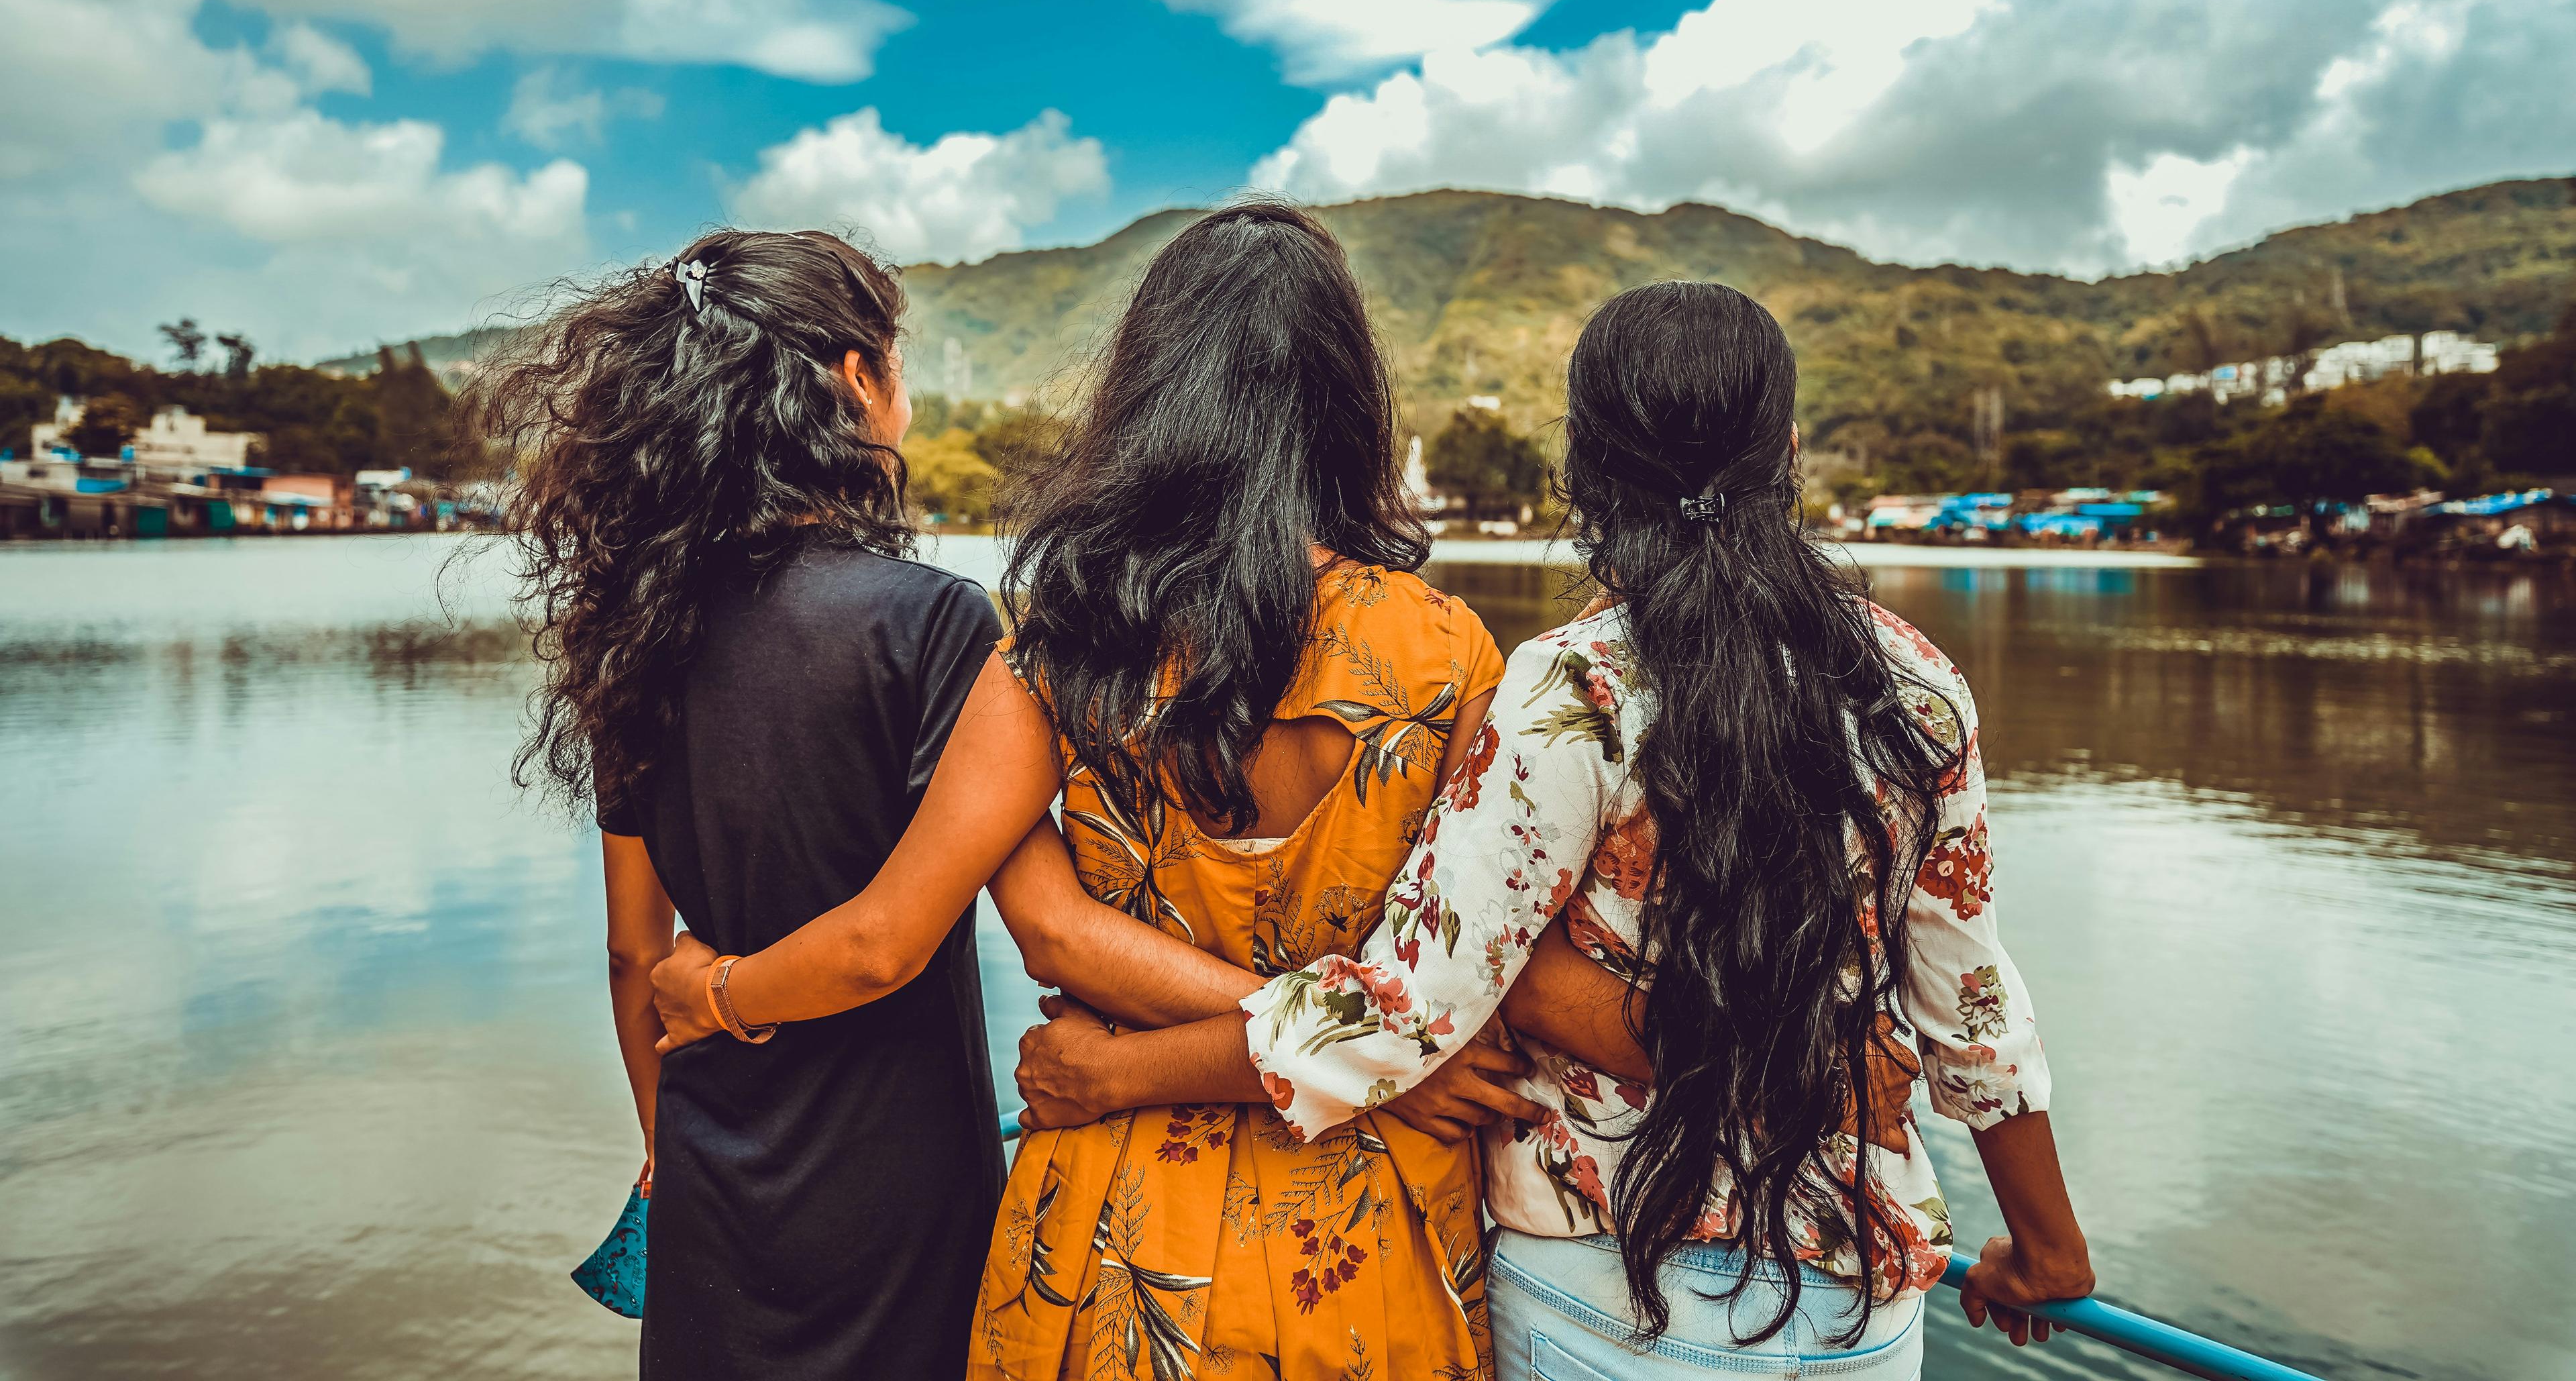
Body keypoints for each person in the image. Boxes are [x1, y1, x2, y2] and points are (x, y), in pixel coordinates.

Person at [1012, 280, 2094, 1379]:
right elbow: (1973, 1003)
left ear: (1580, 474)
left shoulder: (1574, 691)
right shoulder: (1916, 689)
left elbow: (1406, 1005)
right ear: (1792, 455)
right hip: (1852, 1301)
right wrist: (2046, 1248)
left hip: (1605, 1288)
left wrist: (1116, 1076)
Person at [649, 203, 1555, 1380]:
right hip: (1365, 1214)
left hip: (1118, 1215)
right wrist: (1374, 1054)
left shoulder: (1060, 652)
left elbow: (1052, 931)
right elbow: (1466, 977)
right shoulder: (1451, 656)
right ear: (1345, 403)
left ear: (1148, 395)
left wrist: (722, 992)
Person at [480, 229, 1270, 1379]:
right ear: (856, 380)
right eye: (896, 362)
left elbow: (629, 951)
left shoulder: (636, 632)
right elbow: (914, 945)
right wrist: (1350, 1036)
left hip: (709, 1170)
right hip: (893, 1192)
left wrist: (670, 1145)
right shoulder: (934, 626)